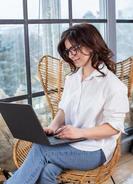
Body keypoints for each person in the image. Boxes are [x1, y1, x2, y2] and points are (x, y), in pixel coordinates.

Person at [5, 23, 129, 184]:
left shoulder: (112, 84)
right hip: (68, 143)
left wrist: (80, 133)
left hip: (95, 150)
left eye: (76, 48)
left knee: (40, 150)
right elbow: (63, 109)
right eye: (69, 50)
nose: (72, 54)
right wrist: (53, 127)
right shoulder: (72, 79)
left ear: (92, 44)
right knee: (48, 171)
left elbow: (114, 128)